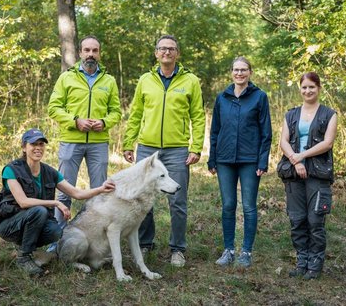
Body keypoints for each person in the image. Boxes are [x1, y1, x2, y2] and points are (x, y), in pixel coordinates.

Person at [122, 35, 206, 267]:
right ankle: (145, 244)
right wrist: (129, 143)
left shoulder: (190, 81)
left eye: (171, 49)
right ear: (156, 53)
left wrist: (196, 147)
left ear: (177, 53)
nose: (166, 52)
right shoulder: (145, 80)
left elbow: (198, 116)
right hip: (147, 148)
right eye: (162, 49)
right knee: (143, 198)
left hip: (177, 149)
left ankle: (178, 249)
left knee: (177, 200)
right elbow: (136, 113)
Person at [0, 129, 115, 277]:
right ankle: (23, 258)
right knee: (39, 211)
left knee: (55, 232)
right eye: (33, 144)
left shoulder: (49, 172)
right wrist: (55, 203)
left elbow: (76, 193)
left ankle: (26, 250)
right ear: (24, 147)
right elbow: (23, 202)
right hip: (8, 223)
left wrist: (101, 189)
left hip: (29, 219)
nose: (38, 148)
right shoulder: (11, 170)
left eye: (41, 144)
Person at [48, 35, 121, 234]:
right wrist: (75, 121)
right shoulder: (67, 77)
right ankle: (57, 238)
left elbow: (116, 111)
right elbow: (54, 107)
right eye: (87, 50)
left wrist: (104, 122)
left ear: (99, 54)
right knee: (64, 191)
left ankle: (93, 237)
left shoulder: (109, 81)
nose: (90, 54)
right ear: (80, 53)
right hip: (71, 141)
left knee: (99, 193)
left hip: (98, 143)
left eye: (94, 50)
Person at [208, 56, 272, 268]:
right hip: (225, 158)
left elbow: (266, 133)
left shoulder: (259, 97)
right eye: (236, 70)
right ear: (231, 72)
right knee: (228, 205)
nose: (239, 73)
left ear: (250, 72)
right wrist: (212, 157)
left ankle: (246, 251)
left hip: (250, 160)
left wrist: (262, 161)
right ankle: (228, 250)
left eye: (244, 70)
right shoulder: (222, 97)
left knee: (248, 206)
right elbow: (215, 130)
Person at [279, 72, 337, 280]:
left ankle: (315, 264)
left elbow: (327, 143)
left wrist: (302, 156)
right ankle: (301, 261)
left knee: (315, 220)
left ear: (319, 88)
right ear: (300, 89)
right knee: (297, 220)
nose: (308, 91)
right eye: (304, 87)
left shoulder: (329, 114)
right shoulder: (291, 115)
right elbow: (283, 142)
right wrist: (295, 161)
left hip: (318, 174)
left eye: (312, 87)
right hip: (293, 173)